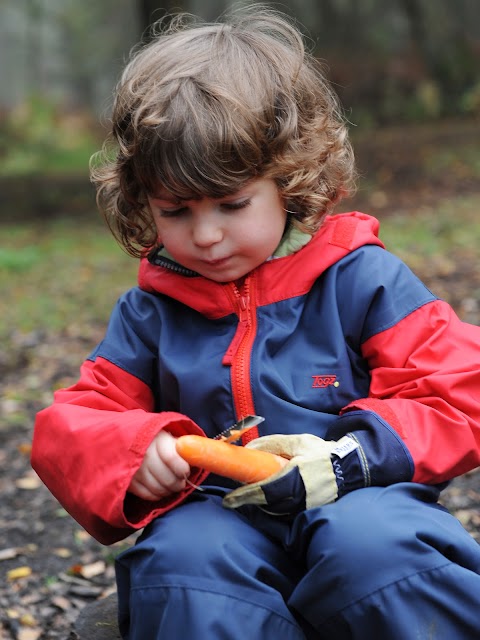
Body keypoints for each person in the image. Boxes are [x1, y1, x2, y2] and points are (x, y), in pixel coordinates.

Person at [31, 7, 480, 639]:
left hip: (362, 497)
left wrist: (355, 456)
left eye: (232, 203)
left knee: (374, 549)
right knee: (182, 563)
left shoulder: (359, 278)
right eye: (176, 211)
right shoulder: (151, 313)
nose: (207, 235)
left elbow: (457, 385)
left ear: (290, 181)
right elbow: (77, 421)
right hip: (219, 513)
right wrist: (137, 452)